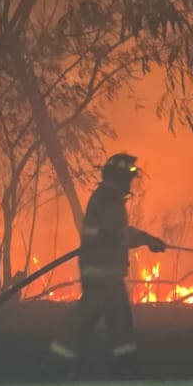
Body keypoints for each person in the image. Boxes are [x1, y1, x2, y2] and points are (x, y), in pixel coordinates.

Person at [50, 153, 166, 365]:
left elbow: (114, 232)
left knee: (95, 320)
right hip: (104, 275)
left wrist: (147, 239)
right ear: (119, 178)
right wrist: (147, 240)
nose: (129, 184)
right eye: (127, 179)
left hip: (101, 274)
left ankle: (58, 362)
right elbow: (116, 234)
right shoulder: (109, 201)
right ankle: (123, 366)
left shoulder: (104, 198)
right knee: (109, 321)